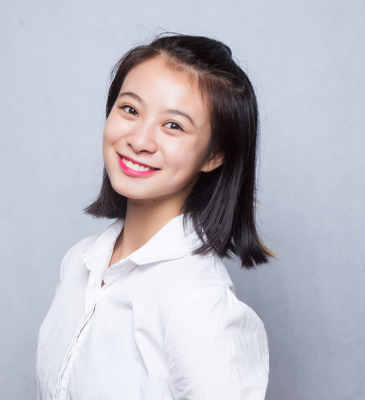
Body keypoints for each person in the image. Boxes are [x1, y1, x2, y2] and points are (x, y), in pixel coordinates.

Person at [36, 33, 274, 400]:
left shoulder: (199, 304)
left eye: (173, 125)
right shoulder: (79, 264)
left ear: (215, 155)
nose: (140, 139)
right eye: (130, 109)